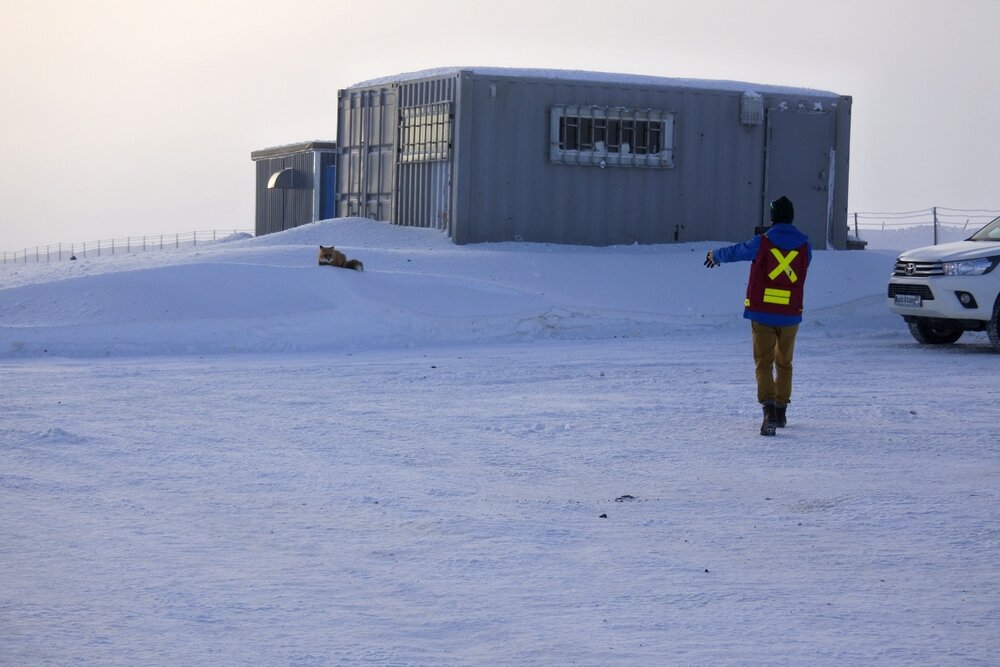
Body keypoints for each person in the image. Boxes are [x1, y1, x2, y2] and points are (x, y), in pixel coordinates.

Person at [704, 196, 812, 436]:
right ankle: (782, 411)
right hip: (790, 314)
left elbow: (737, 251)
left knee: (764, 363)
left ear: (772, 217)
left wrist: (715, 255)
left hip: (762, 312)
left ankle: (769, 411)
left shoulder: (762, 242)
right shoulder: (805, 245)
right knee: (784, 363)